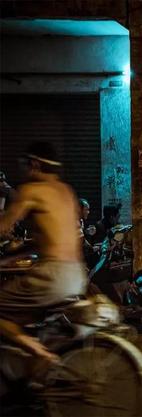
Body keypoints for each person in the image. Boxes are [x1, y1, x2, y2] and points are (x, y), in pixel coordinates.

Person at [0, 142, 87, 362]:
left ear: (35, 164)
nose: (22, 170)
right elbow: (53, 236)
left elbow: (4, 226)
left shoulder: (32, 190)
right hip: (76, 275)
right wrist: (21, 250)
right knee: (29, 317)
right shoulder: (67, 191)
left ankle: (40, 354)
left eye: (24, 165)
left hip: (52, 276)